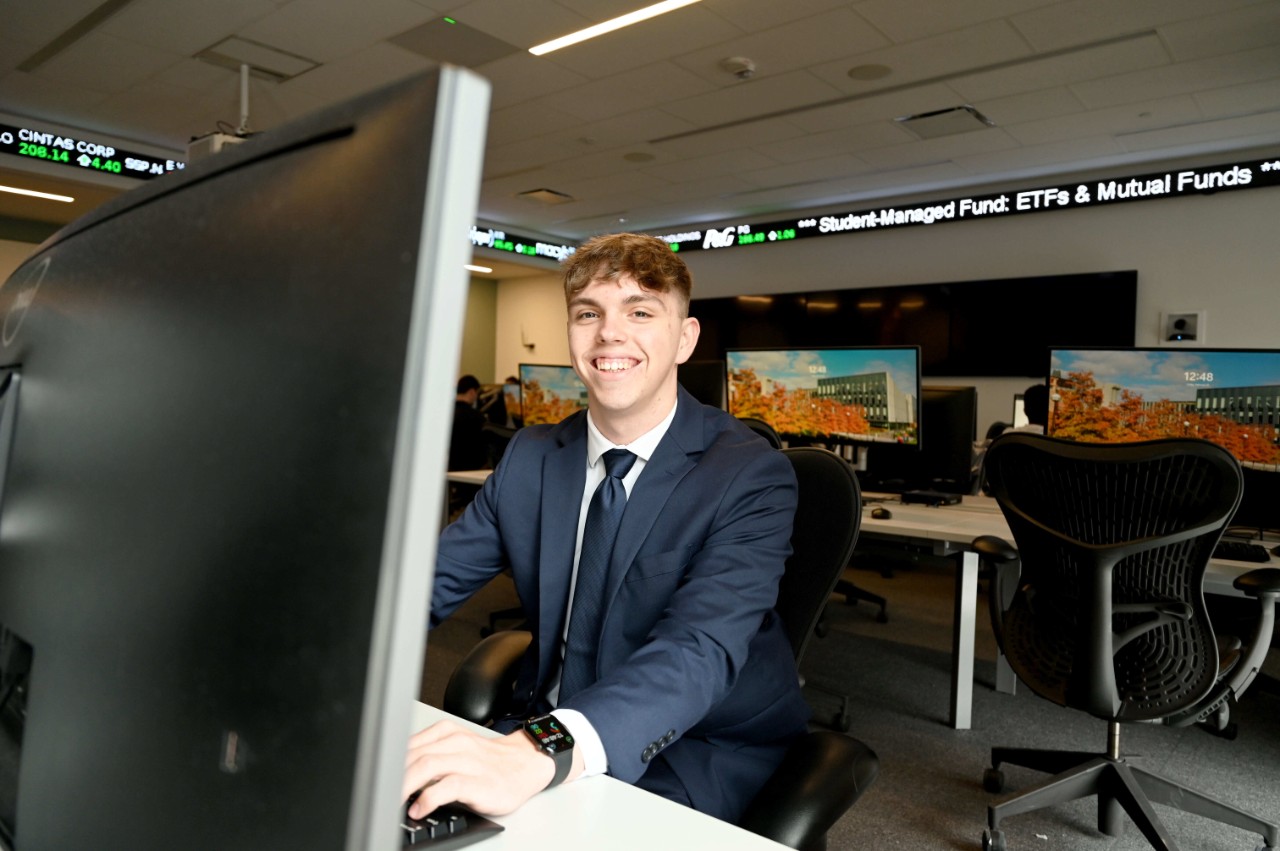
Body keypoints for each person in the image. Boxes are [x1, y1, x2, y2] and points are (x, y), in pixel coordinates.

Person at [403, 233, 808, 823]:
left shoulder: (749, 474)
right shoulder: (532, 455)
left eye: (640, 312)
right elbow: (425, 585)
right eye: (588, 313)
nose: (610, 333)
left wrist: (540, 751)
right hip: (537, 729)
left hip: (691, 747)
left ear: (685, 339)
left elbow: (696, 651)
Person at [448, 375, 488, 472]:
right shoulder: (477, 417)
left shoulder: (445, 414)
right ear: (471, 392)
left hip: (449, 470)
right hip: (471, 471)